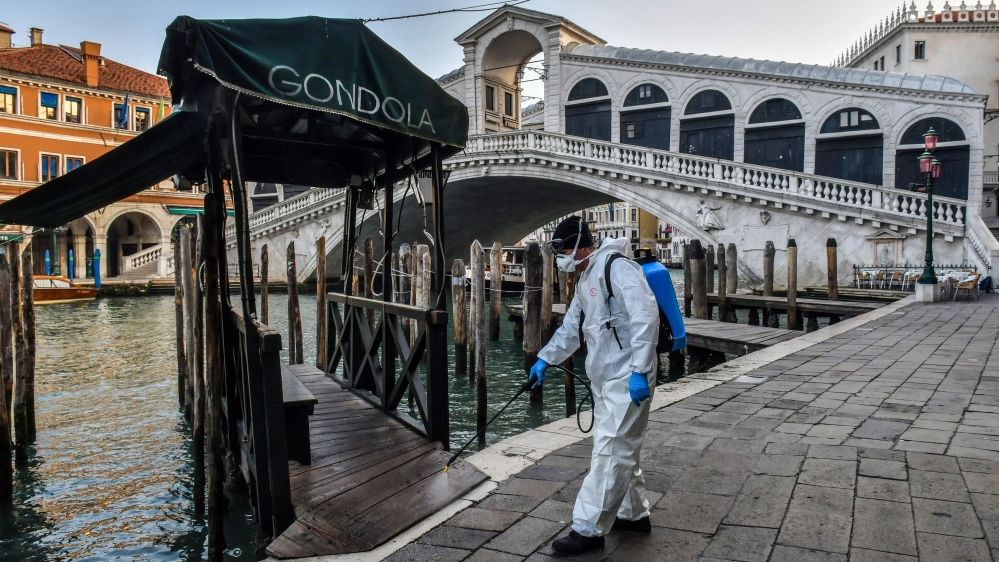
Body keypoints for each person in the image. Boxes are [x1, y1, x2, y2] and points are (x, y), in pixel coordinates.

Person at [530, 215, 660, 556]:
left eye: (560, 249)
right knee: (619, 447)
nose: (559, 257)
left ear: (578, 245)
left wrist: (640, 371)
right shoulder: (587, 275)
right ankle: (633, 514)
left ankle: (587, 529)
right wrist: (545, 359)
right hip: (605, 380)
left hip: (629, 376)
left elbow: (646, 317)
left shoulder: (618, 268)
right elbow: (573, 328)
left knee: (611, 451)